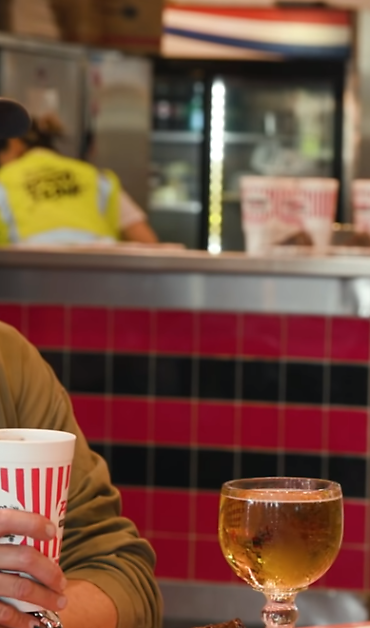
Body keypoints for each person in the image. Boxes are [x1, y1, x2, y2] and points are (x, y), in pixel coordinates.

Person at [0, 100, 161, 628]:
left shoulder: (9, 360)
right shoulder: (95, 181)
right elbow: (148, 243)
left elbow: (122, 572)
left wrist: (34, 622)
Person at [0, 115, 158, 246]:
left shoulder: (4, 180)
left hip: (27, 269)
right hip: (100, 267)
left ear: (15, 144)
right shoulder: (93, 176)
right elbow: (148, 243)